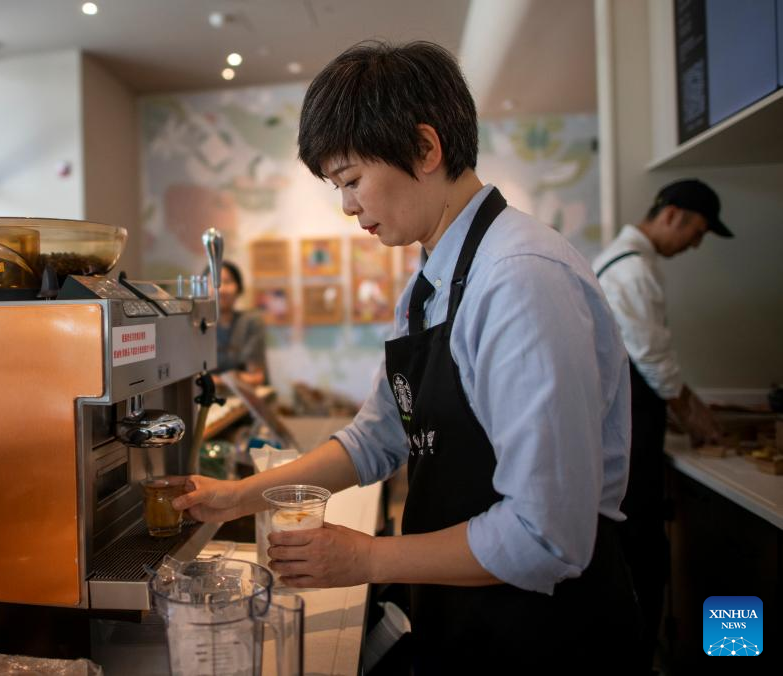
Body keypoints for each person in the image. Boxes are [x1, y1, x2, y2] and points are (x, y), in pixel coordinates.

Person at [174, 41, 639, 672]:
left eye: (352, 180)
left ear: (425, 148)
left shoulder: (521, 280)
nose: (346, 206)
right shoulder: (431, 282)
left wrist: (367, 559)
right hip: (467, 609)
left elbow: (546, 535)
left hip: (544, 629)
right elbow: (376, 438)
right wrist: (238, 497)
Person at [592, 178, 730, 672]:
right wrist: (700, 419)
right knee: (640, 557)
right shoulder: (631, 270)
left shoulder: (625, 261)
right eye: (697, 230)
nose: (695, 243)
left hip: (629, 436)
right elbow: (654, 362)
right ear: (672, 214)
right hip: (628, 446)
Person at [214, 261, 268, 387]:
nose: (221, 289)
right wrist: (235, 377)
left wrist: (213, 381)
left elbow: (255, 377)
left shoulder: (251, 322)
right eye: (214, 283)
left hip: (245, 399)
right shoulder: (197, 326)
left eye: (227, 282)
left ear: (238, 288)